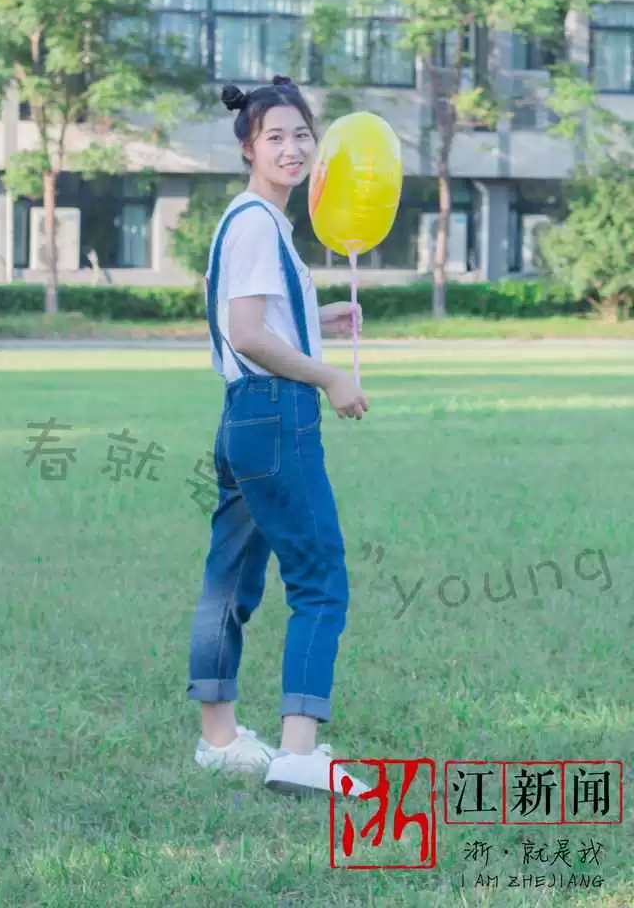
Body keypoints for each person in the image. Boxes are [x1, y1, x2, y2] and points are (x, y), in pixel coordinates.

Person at [186, 74, 370, 797]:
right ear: (248, 148)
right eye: (275, 137)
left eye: (301, 135)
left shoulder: (246, 220)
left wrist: (318, 321)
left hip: (242, 416)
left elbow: (253, 317)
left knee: (229, 579)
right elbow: (247, 333)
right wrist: (329, 376)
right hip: (277, 412)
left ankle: (220, 740)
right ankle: (299, 751)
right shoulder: (260, 223)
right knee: (320, 578)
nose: (292, 148)